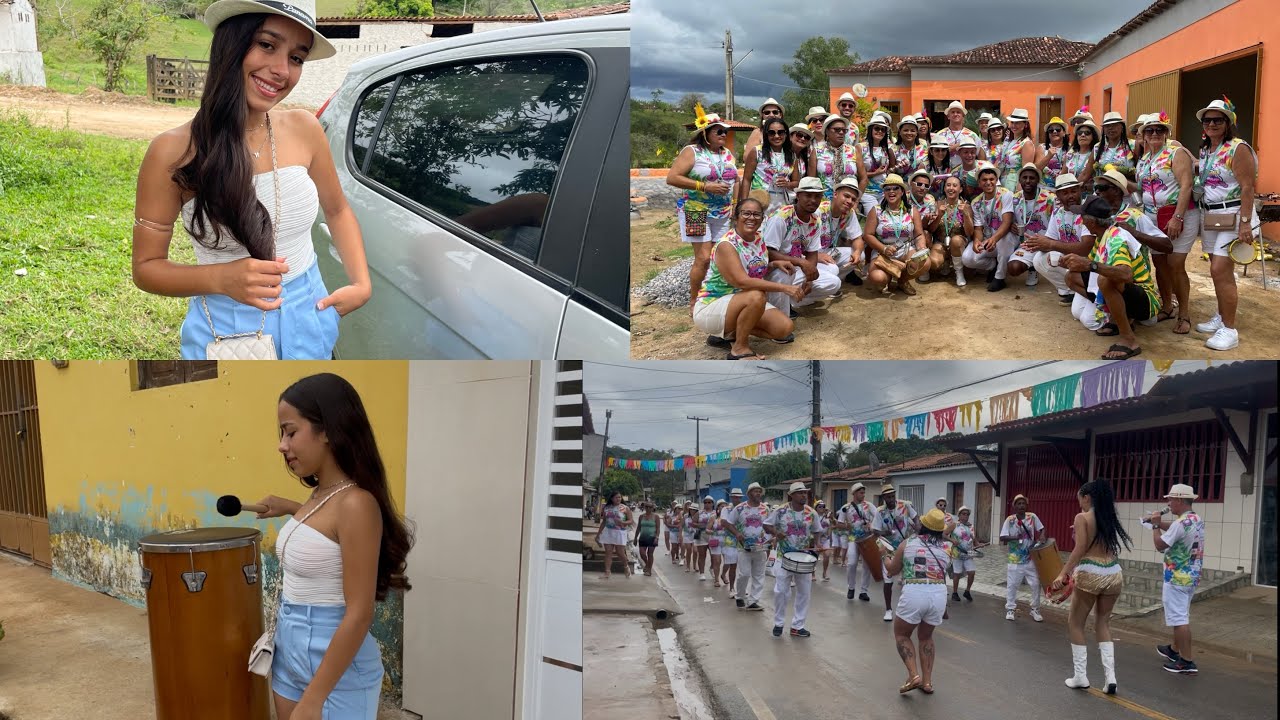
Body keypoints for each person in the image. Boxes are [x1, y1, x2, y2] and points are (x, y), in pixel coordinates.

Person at [132, 1, 369, 360]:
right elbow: (146, 268)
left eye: (297, 58)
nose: (281, 70)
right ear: (232, 43)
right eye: (267, 44)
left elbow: (337, 210)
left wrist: (361, 283)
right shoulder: (172, 152)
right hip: (228, 333)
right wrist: (220, 278)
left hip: (311, 316)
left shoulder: (305, 129)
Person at [254, 373, 413, 719]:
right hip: (289, 646)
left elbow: (359, 613)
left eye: (291, 431)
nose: (282, 445)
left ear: (327, 429)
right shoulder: (320, 497)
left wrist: (314, 698)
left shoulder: (357, 503)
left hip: (334, 662)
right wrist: (291, 507)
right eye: (282, 433)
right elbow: (328, 538)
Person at [693, 197, 801, 361]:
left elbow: (754, 268)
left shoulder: (758, 238)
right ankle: (739, 348)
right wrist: (785, 288)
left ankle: (728, 334)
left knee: (784, 328)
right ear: (736, 217)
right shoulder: (726, 245)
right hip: (713, 305)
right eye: (746, 213)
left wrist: (773, 264)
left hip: (741, 302)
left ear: (762, 218)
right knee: (756, 295)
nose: (752, 218)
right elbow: (741, 281)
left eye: (757, 214)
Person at [1051, 479, 1132, 694]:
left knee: (1075, 623)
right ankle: (1110, 679)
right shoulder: (1108, 517)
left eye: (1080, 501)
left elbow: (1079, 549)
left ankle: (1080, 676)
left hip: (1091, 572)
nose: (1080, 506)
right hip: (1114, 572)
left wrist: (1063, 573)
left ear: (1087, 497)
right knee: (1103, 623)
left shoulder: (1082, 517)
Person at [1060, 196, 1167, 359]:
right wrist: (1070, 262)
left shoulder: (1116, 238)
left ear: (1091, 223)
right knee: (1071, 277)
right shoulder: (1103, 235)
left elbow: (1126, 274)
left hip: (1145, 299)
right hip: (1129, 293)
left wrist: (1089, 265)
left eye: (1082, 218)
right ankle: (1118, 318)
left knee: (1105, 279)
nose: (1080, 221)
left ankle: (1129, 340)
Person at [1194, 97, 1259, 351]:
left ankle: (1229, 330)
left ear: (1228, 122)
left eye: (1217, 120)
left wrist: (1245, 223)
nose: (1212, 124)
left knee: (1220, 270)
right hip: (1211, 216)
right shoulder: (1206, 149)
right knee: (1217, 268)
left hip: (1233, 214)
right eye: (1207, 120)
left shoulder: (1238, 148)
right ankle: (1221, 317)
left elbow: (1247, 187)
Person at [666, 106, 738, 312]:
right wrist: (704, 186)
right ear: (705, 133)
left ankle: (715, 294)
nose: (724, 134)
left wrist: (735, 204)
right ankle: (694, 300)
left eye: (725, 131)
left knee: (719, 256)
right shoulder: (692, 152)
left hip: (723, 212)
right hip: (695, 210)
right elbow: (672, 177)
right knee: (704, 258)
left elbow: (737, 180)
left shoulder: (727, 154)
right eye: (718, 131)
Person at [1135, 112, 1196, 333]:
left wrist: (1177, 218)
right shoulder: (1144, 159)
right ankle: (1168, 306)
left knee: (1175, 264)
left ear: (1166, 132)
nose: (1154, 134)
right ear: (1143, 135)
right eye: (1149, 130)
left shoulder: (1176, 153)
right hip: (1152, 217)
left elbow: (1186, 185)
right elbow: (1140, 189)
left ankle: (1185, 314)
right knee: (1159, 263)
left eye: (1159, 130)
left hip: (1177, 214)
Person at [885, 508, 953, 695]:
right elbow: (945, 571)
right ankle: (927, 682)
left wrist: (884, 555)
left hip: (915, 591)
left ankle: (914, 675)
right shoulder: (948, 548)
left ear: (923, 525)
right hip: (938, 593)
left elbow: (892, 570)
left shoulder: (908, 543)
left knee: (902, 634)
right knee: (926, 637)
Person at [762, 177, 843, 317]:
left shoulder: (815, 220)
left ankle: (791, 301)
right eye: (808, 195)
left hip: (795, 267)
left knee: (833, 281)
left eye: (817, 196)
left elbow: (812, 253)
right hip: (773, 270)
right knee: (786, 271)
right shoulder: (781, 217)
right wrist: (802, 262)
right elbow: (768, 252)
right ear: (798, 196)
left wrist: (809, 279)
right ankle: (778, 314)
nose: (813, 200)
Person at [1148, 483, 1205, 675]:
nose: (1169, 503)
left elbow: (1159, 544)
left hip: (1176, 578)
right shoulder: (1195, 519)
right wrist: (1156, 522)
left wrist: (1155, 525)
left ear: (1180, 500)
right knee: (1180, 614)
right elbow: (1175, 528)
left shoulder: (1180, 523)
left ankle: (1187, 661)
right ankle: (1174, 650)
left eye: (1171, 499)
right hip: (1191, 576)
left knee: (1179, 618)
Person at [765, 482, 823, 638]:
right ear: (791, 495)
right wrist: (777, 532)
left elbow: (817, 530)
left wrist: (817, 544)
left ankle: (797, 626)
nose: (804, 495)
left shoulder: (811, 513)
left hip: (804, 557)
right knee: (780, 592)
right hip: (783, 557)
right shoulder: (781, 511)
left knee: (804, 593)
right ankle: (778, 623)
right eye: (800, 493)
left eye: (805, 492)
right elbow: (766, 525)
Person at [863, 173, 929, 296]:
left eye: (895, 188)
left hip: (906, 249)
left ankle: (902, 281)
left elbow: (919, 234)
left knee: (925, 262)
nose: (891, 191)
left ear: (903, 191)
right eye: (887, 189)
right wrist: (884, 248)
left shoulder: (912, 211)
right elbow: (867, 235)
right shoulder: (876, 210)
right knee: (879, 278)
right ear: (884, 192)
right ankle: (886, 279)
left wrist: (921, 248)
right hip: (883, 252)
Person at [1025, 173, 1087, 301]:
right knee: (1039, 258)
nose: (1070, 196)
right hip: (1069, 255)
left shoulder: (1088, 210)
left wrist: (1050, 245)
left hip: (1088, 260)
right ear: (1058, 196)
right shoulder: (1058, 212)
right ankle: (1069, 290)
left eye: (1074, 191)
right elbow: (1050, 240)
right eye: (1065, 193)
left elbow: (1086, 248)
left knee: (1080, 314)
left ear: (1080, 191)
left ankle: (1083, 290)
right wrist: (1036, 243)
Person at [872, 484, 920, 622]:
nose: (892, 499)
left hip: (905, 545)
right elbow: (875, 531)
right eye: (888, 497)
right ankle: (888, 609)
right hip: (888, 547)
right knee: (888, 580)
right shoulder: (880, 511)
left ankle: (907, 608)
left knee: (908, 578)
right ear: (884, 498)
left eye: (893, 496)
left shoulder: (905, 505)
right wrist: (885, 532)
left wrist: (917, 528)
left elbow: (916, 518)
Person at [966, 163, 1017, 292]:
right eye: (984, 180)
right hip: (989, 239)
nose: (988, 182)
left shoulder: (1006, 194)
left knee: (1005, 241)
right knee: (968, 258)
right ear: (979, 182)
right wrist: (977, 240)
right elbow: (978, 227)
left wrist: (994, 239)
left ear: (996, 180)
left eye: (991, 179)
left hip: (1005, 237)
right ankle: (994, 266)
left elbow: (1007, 222)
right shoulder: (976, 202)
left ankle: (999, 277)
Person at [724, 482, 771, 610]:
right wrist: (737, 533)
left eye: (759, 491)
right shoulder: (740, 508)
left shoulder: (765, 509)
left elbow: (769, 526)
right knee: (744, 574)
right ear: (749, 494)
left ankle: (753, 601)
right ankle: (740, 596)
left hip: (760, 547)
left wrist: (770, 539)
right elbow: (728, 523)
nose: (758, 493)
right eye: (755, 491)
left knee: (759, 575)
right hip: (743, 547)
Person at [999, 494, 1045, 622]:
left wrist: (1042, 536)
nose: (1021, 506)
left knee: (1036, 584)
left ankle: (1035, 609)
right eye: (1018, 504)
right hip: (1015, 559)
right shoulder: (1010, 520)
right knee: (1013, 585)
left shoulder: (1032, 517)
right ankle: (1010, 609)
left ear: (1026, 505)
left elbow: (1042, 529)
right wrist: (1016, 538)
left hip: (1030, 558)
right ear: (1014, 506)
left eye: (1023, 503)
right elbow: (1002, 537)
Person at [739, 117, 800, 213]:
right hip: (760, 202)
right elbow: (746, 179)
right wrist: (744, 204)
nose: (776, 136)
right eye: (772, 133)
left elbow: (796, 182)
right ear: (766, 134)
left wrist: (787, 184)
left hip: (782, 205)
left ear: (786, 134)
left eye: (780, 132)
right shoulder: (757, 151)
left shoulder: (792, 155)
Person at [1007, 163, 1053, 288]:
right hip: (1026, 244)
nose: (1028, 181)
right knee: (1013, 268)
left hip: (1048, 244)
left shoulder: (1049, 198)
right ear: (1019, 180)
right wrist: (1011, 224)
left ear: (1038, 180)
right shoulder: (1015, 198)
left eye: (1032, 178)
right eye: (1024, 177)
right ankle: (1032, 267)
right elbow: (1007, 218)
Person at [837, 482, 877, 602]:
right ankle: (851, 588)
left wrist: (872, 524)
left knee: (866, 566)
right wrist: (846, 526)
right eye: (861, 492)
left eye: (864, 492)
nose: (863, 494)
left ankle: (864, 591)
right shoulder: (846, 508)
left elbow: (878, 517)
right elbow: (839, 524)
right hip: (853, 539)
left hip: (867, 538)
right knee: (852, 563)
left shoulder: (869, 506)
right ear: (854, 493)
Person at [931, 175, 974, 286]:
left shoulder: (966, 206)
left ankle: (959, 272)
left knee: (955, 240)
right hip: (941, 242)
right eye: (948, 185)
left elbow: (970, 232)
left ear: (960, 189)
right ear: (944, 188)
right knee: (934, 262)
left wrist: (965, 214)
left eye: (955, 185)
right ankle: (945, 261)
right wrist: (939, 215)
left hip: (959, 243)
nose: (951, 188)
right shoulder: (937, 204)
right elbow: (931, 229)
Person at [815, 114, 864, 200]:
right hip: (823, 202)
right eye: (837, 130)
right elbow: (813, 180)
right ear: (827, 131)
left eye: (844, 130)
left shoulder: (853, 151)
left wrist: (855, 201)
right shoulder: (817, 152)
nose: (841, 132)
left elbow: (864, 179)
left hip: (848, 203)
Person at [859, 114, 896, 214]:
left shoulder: (885, 149)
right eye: (877, 128)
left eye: (883, 129)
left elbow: (886, 172)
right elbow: (857, 174)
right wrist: (876, 173)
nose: (880, 131)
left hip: (884, 192)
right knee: (874, 217)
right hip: (867, 192)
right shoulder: (861, 147)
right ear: (870, 129)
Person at [948, 506, 982, 601]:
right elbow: (943, 534)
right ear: (959, 515)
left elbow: (974, 539)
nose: (965, 516)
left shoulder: (970, 526)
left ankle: (967, 591)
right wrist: (952, 540)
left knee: (971, 572)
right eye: (963, 514)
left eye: (967, 514)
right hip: (957, 553)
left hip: (968, 553)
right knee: (957, 574)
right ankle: (955, 593)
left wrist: (978, 544)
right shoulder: (954, 525)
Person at [937, 100, 984, 169]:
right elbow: (934, 155)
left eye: (958, 112)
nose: (955, 114)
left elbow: (981, 157)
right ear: (948, 116)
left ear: (963, 116)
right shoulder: (940, 135)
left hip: (966, 173)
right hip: (944, 172)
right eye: (953, 112)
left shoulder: (972, 135)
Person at [598, 490, 632, 578]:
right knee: (608, 552)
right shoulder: (606, 507)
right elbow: (604, 521)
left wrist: (622, 522)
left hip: (620, 532)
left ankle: (626, 566)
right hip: (608, 532)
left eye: (620, 497)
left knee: (620, 552)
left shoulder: (625, 508)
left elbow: (630, 520)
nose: (618, 499)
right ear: (612, 498)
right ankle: (607, 572)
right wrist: (598, 534)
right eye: (616, 497)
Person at [1003, 108, 1039, 190]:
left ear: (1025, 125)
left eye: (1017, 123)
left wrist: (1020, 187)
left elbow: (1026, 169)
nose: (1013, 126)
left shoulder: (1026, 144)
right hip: (1004, 180)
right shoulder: (1009, 141)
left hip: (1015, 183)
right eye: (1012, 122)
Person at [1098, 111, 1139, 181]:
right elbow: (1085, 174)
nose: (1110, 128)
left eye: (1114, 125)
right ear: (1104, 129)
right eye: (1107, 126)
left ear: (1122, 127)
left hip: (1126, 189)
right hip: (1102, 190)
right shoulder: (1097, 148)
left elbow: (1139, 170)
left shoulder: (1133, 145)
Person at [1064, 120, 1100, 192]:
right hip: (1071, 194)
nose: (1083, 135)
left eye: (1087, 133)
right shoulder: (1070, 154)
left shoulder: (1097, 154)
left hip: (1090, 195)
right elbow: (1063, 174)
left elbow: (1086, 175)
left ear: (1093, 136)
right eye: (1079, 133)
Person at [719, 489, 743, 593]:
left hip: (742, 540)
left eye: (738, 497)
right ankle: (732, 588)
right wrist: (735, 531)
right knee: (732, 565)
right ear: (731, 497)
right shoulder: (726, 509)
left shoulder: (744, 508)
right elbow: (723, 522)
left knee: (743, 567)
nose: (736, 498)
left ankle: (741, 588)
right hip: (730, 541)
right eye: (734, 496)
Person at [1037, 117, 1070, 191]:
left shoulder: (1071, 149)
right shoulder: (1042, 148)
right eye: (1051, 130)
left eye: (1058, 129)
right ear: (1048, 134)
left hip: (1064, 189)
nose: (1054, 132)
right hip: (1044, 190)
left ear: (1064, 133)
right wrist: (1048, 156)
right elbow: (1036, 169)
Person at [693, 496, 717, 580]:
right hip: (702, 535)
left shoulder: (716, 513)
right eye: (705, 502)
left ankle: (712, 568)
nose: (707, 504)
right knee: (702, 555)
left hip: (713, 536)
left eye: (709, 502)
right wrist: (701, 525)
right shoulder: (699, 513)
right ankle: (702, 573)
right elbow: (693, 523)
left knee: (714, 555)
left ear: (713, 503)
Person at [635, 501, 660, 577]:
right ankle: (647, 565)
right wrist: (635, 538)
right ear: (644, 507)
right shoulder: (641, 516)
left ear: (653, 508)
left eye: (650, 507)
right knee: (642, 554)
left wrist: (657, 537)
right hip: (642, 537)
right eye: (647, 507)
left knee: (650, 554)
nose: (648, 508)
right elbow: (638, 528)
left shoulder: (656, 517)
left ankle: (649, 570)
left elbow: (658, 528)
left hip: (652, 537)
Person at [707, 498, 728, 586]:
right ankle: (716, 579)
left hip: (727, 542)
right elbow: (707, 529)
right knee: (717, 561)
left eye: (725, 506)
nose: (723, 508)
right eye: (721, 506)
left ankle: (723, 574)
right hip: (715, 542)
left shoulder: (729, 517)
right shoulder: (713, 517)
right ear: (718, 508)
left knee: (728, 561)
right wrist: (713, 531)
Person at [814, 500, 833, 581]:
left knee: (827, 555)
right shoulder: (813, 516)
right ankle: (813, 574)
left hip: (825, 539)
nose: (822, 508)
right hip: (816, 539)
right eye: (820, 506)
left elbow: (833, 525)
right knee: (814, 557)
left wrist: (831, 517)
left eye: (823, 506)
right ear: (816, 508)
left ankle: (824, 573)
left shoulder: (827, 517)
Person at [665, 501, 682, 565]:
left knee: (678, 546)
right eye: (678, 508)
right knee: (674, 546)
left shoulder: (683, 516)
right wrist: (675, 526)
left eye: (680, 509)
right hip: (673, 533)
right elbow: (668, 524)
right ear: (675, 509)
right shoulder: (671, 516)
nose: (679, 510)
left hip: (680, 533)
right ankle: (673, 558)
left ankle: (677, 555)